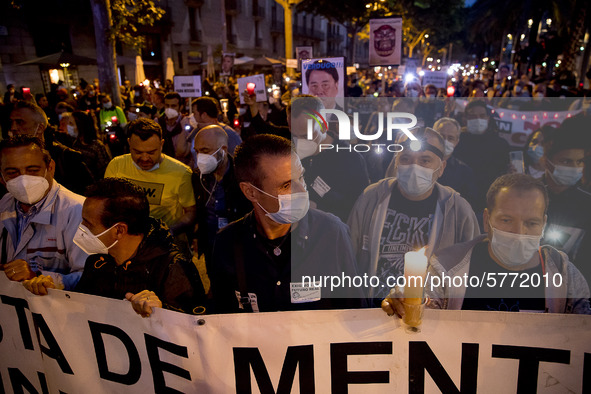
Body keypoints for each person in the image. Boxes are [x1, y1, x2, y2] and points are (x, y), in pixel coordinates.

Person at [382, 174, 591, 315]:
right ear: (486, 219)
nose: (519, 232)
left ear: (544, 224)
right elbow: (425, 306)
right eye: (506, 220)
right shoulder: (448, 267)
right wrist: (406, 303)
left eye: (531, 223)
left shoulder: (564, 275)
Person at [210, 134, 365, 313]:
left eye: (301, 178)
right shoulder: (227, 244)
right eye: (286, 185)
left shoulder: (332, 234)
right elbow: (221, 322)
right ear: (250, 192)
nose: (301, 190)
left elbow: (356, 313)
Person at [24, 178, 207, 317]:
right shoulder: (97, 262)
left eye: (88, 223)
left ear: (119, 230)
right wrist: (51, 291)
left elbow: (195, 329)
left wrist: (161, 312)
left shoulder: (173, 268)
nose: (81, 228)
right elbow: (82, 311)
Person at [350, 127, 480, 303]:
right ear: (396, 162)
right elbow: (349, 258)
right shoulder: (371, 199)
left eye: (425, 160)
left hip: (431, 319)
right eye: (405, 159)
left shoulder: (458, 211)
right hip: (372, 314)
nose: (414, 167)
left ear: (441, 168)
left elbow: (472, 270)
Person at [0, 135, 87, 291]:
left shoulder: (77, 210)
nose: (23, 180)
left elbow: (90, 277)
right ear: (1, 178)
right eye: (13, 173)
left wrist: (40, 277)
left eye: (32, 170)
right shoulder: (3, 205)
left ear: (51, 168)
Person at [104, 118, 196, 241]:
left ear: (161, 144)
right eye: (137, 152)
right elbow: (105, 203)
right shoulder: (116, 166)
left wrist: (169, 231)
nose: (145, 158)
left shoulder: (181, 173)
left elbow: (191, 212)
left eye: (151, 152)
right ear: (129, 143)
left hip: (166, 247)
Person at [192, 125, 251, 277]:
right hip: (211, 245)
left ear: (223, 149)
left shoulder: (243, 176)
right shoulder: (198, 177)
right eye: (197, 151)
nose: (200, 157)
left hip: (239, 247)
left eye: (205, 151)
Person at [539, 119, 591, 284]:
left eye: (579, 162)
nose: (574, 167)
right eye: (566, 161)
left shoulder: (586, 204)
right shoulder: (528, 195)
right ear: (548, 160)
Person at [9, 100, 95, 195]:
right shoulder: (6, 159)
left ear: (40, 128)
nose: (13, 128)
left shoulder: (67, 158)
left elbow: (89, 196)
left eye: (20, 122)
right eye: (11, 122)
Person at [453, 100, 510, 227]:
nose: (477, 119)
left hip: (490, 205)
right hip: (459, 206)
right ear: (465, 119)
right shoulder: (457, 142)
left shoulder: (500, 144)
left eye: (482, 116)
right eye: (472, 116)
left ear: (488, 119)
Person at [433, 117, 477, 204]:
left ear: (456, 142)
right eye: (441, 136)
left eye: (450, 138)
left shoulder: (464, 172)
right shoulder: (417, 162)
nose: (445, 141)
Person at [71, 111, 112, 180]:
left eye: (71, 124)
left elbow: (104, 171)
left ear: (80, 125)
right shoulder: (74, 143)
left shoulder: (96, 146)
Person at [157, 92, 192, 165]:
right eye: (167, 106)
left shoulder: (187, 122)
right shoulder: (158, 123)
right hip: (163, 165)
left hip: (182, 165)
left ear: (180, 107)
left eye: (173, 106)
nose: (170, 109)